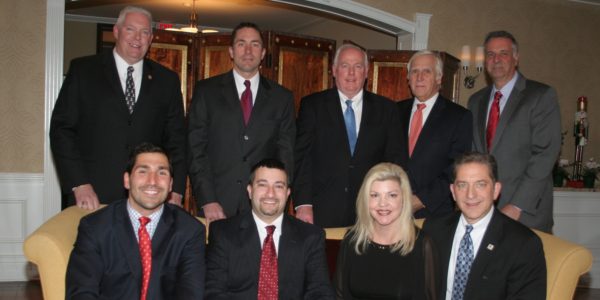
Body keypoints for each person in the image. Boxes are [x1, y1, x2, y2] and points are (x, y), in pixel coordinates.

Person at [50, 6, 187, 210]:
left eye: (145, 32)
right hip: (92, 195)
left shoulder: (167, 80)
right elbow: (62, 130)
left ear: (151, 38)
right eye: (130, 29)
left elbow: (177, 140)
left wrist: (175, 190)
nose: (137, 38)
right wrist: (78, 184)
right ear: (116, 31)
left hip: (148, 195)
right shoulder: (84, 70)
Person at [66, 143, 206, 299]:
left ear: (171, 184)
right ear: (127, 180)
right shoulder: (95, 227)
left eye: (162, 173)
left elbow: (191, 293)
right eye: (143, 171)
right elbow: (81, 292)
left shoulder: (190, 230)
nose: (152, 181)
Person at [188, 22, 295, 223]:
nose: (248, 50)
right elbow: (196, 149)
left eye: (254, 44)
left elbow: (286, 154)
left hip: (263, 205)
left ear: (263, 52)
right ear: (231, 51)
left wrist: (277, 199)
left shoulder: (282, 98)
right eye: (241, 44)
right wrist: (207, 199)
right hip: (216, 204)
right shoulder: (206, 92)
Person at [294, 43, 402, 227]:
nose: (351, 73)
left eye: (358, 66)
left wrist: (391, 204)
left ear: (366, 72)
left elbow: (395, 162)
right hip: (322, 209)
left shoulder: (387, 109)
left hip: (372, 211)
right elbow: (301, 158)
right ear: (334, 70)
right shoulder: (313, 106)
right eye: (345, 66)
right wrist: (303, 204)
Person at [468, 30, 561, 232]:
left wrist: (517, 205)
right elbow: (475, 157)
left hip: (526, 213)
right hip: (484, 212)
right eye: (491, 54)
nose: (496, 59)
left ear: (516, 58)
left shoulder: (540, 96)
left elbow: (545, 155)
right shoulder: (476, 101)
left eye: (503, 53)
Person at [422, 152, 546, 300]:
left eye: (480, 185)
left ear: (496, 190)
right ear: (453, 192)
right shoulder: (433, 230)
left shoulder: (524, 244)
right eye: (462, 185)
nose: (470, 195)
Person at [205, 158, 334, 299]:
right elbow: (214, 293)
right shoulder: (223, 233)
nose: (270, 194)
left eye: (278, 186)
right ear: (249, 191)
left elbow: (320, 293)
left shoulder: (311, 237)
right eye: (262, 185)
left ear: (288, 193)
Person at [334, 162, 437, 300]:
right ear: (365, 200)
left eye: (392, 195)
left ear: (404, 199)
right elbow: (339, 296)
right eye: (375, 195)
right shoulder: (352, 240)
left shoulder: (423, 244)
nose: (383, 203)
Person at [398, 50, 472, 218]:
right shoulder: (394, 111)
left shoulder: (459, 117)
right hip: (392, 210)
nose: (420, 77)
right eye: (415, 71)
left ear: (439, 78)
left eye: (427, 71)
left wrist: (421, 200)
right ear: (408, 78)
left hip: (434, 213)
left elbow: (457, 168)